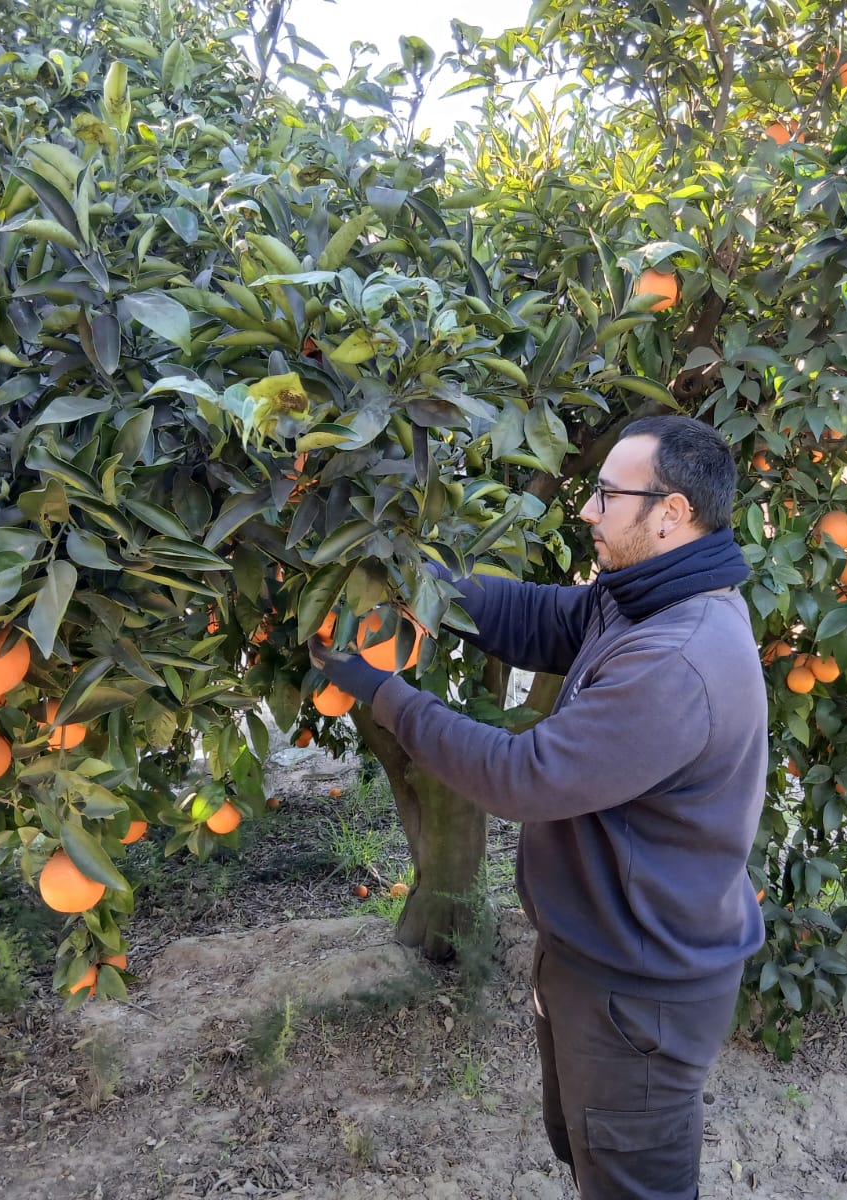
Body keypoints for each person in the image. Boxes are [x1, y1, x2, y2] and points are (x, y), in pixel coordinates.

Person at [310, 414, 767, 1200]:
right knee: (586, 1153)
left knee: (633, 1185)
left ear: (671, 513)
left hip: (640, 993)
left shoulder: (681, 658)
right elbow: (532, 618)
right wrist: (417, 583)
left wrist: (384, 695)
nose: (587, 511)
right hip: (594, 958)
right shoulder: (640, 601)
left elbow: (523, 776)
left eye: (605, 495)